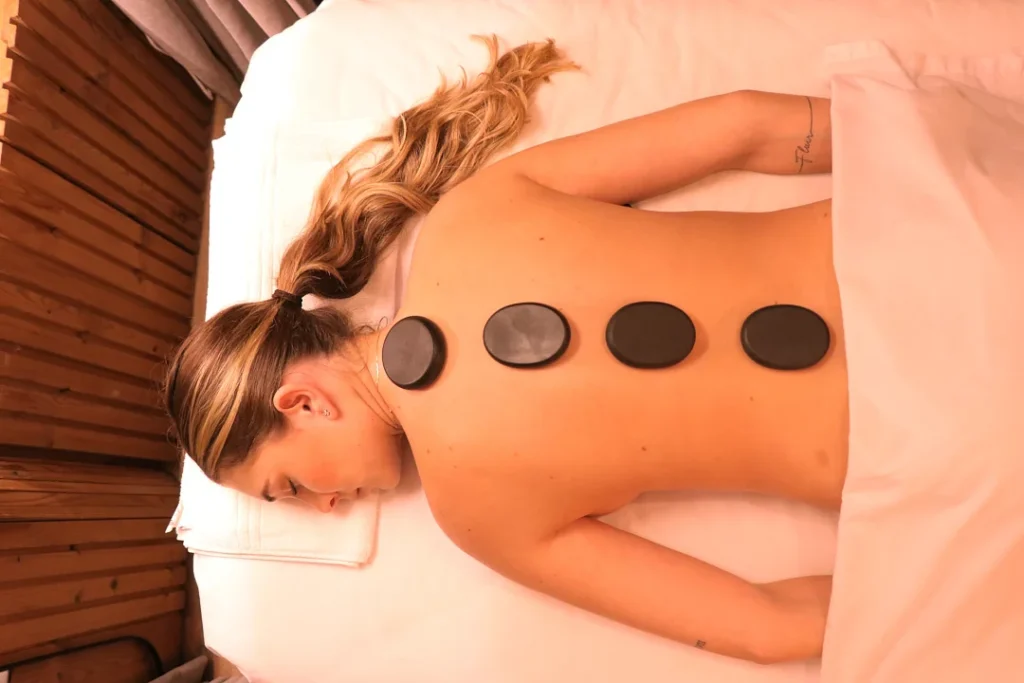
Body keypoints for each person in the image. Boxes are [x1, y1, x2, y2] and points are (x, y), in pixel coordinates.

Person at [165, 37, 844, 664]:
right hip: (885, 238)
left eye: (289, 487)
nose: (327, 506)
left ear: (303, 403)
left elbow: (765, 628)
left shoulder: (479, 520)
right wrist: (904, 141)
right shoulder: (470, 214)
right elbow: (743, 124)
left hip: (893, 439)